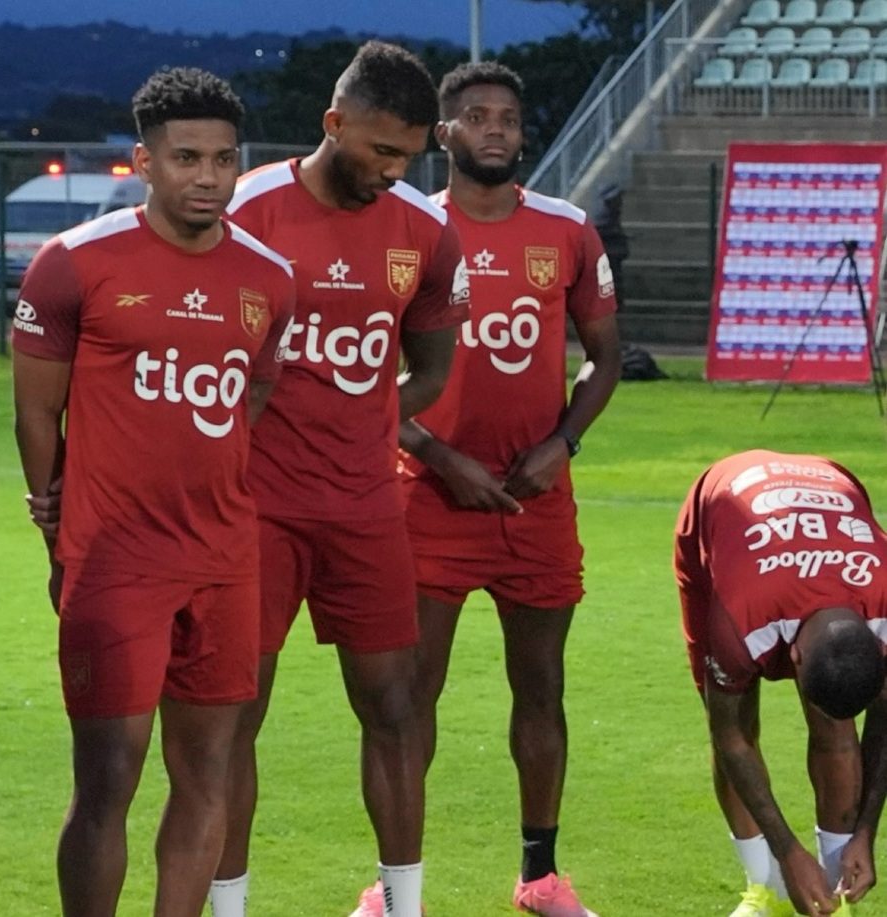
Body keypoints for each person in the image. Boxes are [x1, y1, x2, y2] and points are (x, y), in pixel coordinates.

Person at [12, 67, 295, 917]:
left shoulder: (270, 279)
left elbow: (251, 396)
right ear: (144, 160)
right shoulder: (75, 264)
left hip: (223, 559)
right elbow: (35, 414)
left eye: (223, 159)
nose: (207, 177)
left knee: (209, 770)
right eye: (186, 158)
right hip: (116, 563)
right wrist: (55, 520)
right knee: (109, 777)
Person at [213, 41, 467, 917]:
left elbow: (432, 364)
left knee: (395, 705)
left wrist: (370, 418)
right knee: (234, 713)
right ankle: (230, 907)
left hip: (365, 506)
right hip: (254, 509)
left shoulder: (426, 230)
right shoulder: (248, 211)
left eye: (408, 157)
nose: (395, 173)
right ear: (333, 124)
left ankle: (405, 905)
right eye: (380, 153)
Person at [399, 61, 620, 917]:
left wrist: (563, 442)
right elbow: (362, 372)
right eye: (476, 116)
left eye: (508, 117)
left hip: (535, 501)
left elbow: (606, 356)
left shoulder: (566, 229)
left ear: (522, 133)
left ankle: (540, 876)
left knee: (542, 688)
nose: (494, 128)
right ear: (444, 132)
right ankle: (395, 885)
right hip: (427, 497)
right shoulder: (407, 227)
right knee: (408, 700)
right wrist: (437, 454)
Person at [677, 450, 887, 917]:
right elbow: (729, 740)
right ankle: (764, 886)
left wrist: (866, 832)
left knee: (836, 731)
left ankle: (837, 888)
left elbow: (885, 722)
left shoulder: (886, 600)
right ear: (790, 656)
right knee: (736, 720)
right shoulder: (738, 620)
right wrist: (788, 851)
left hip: (828, 483)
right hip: (718, 505)